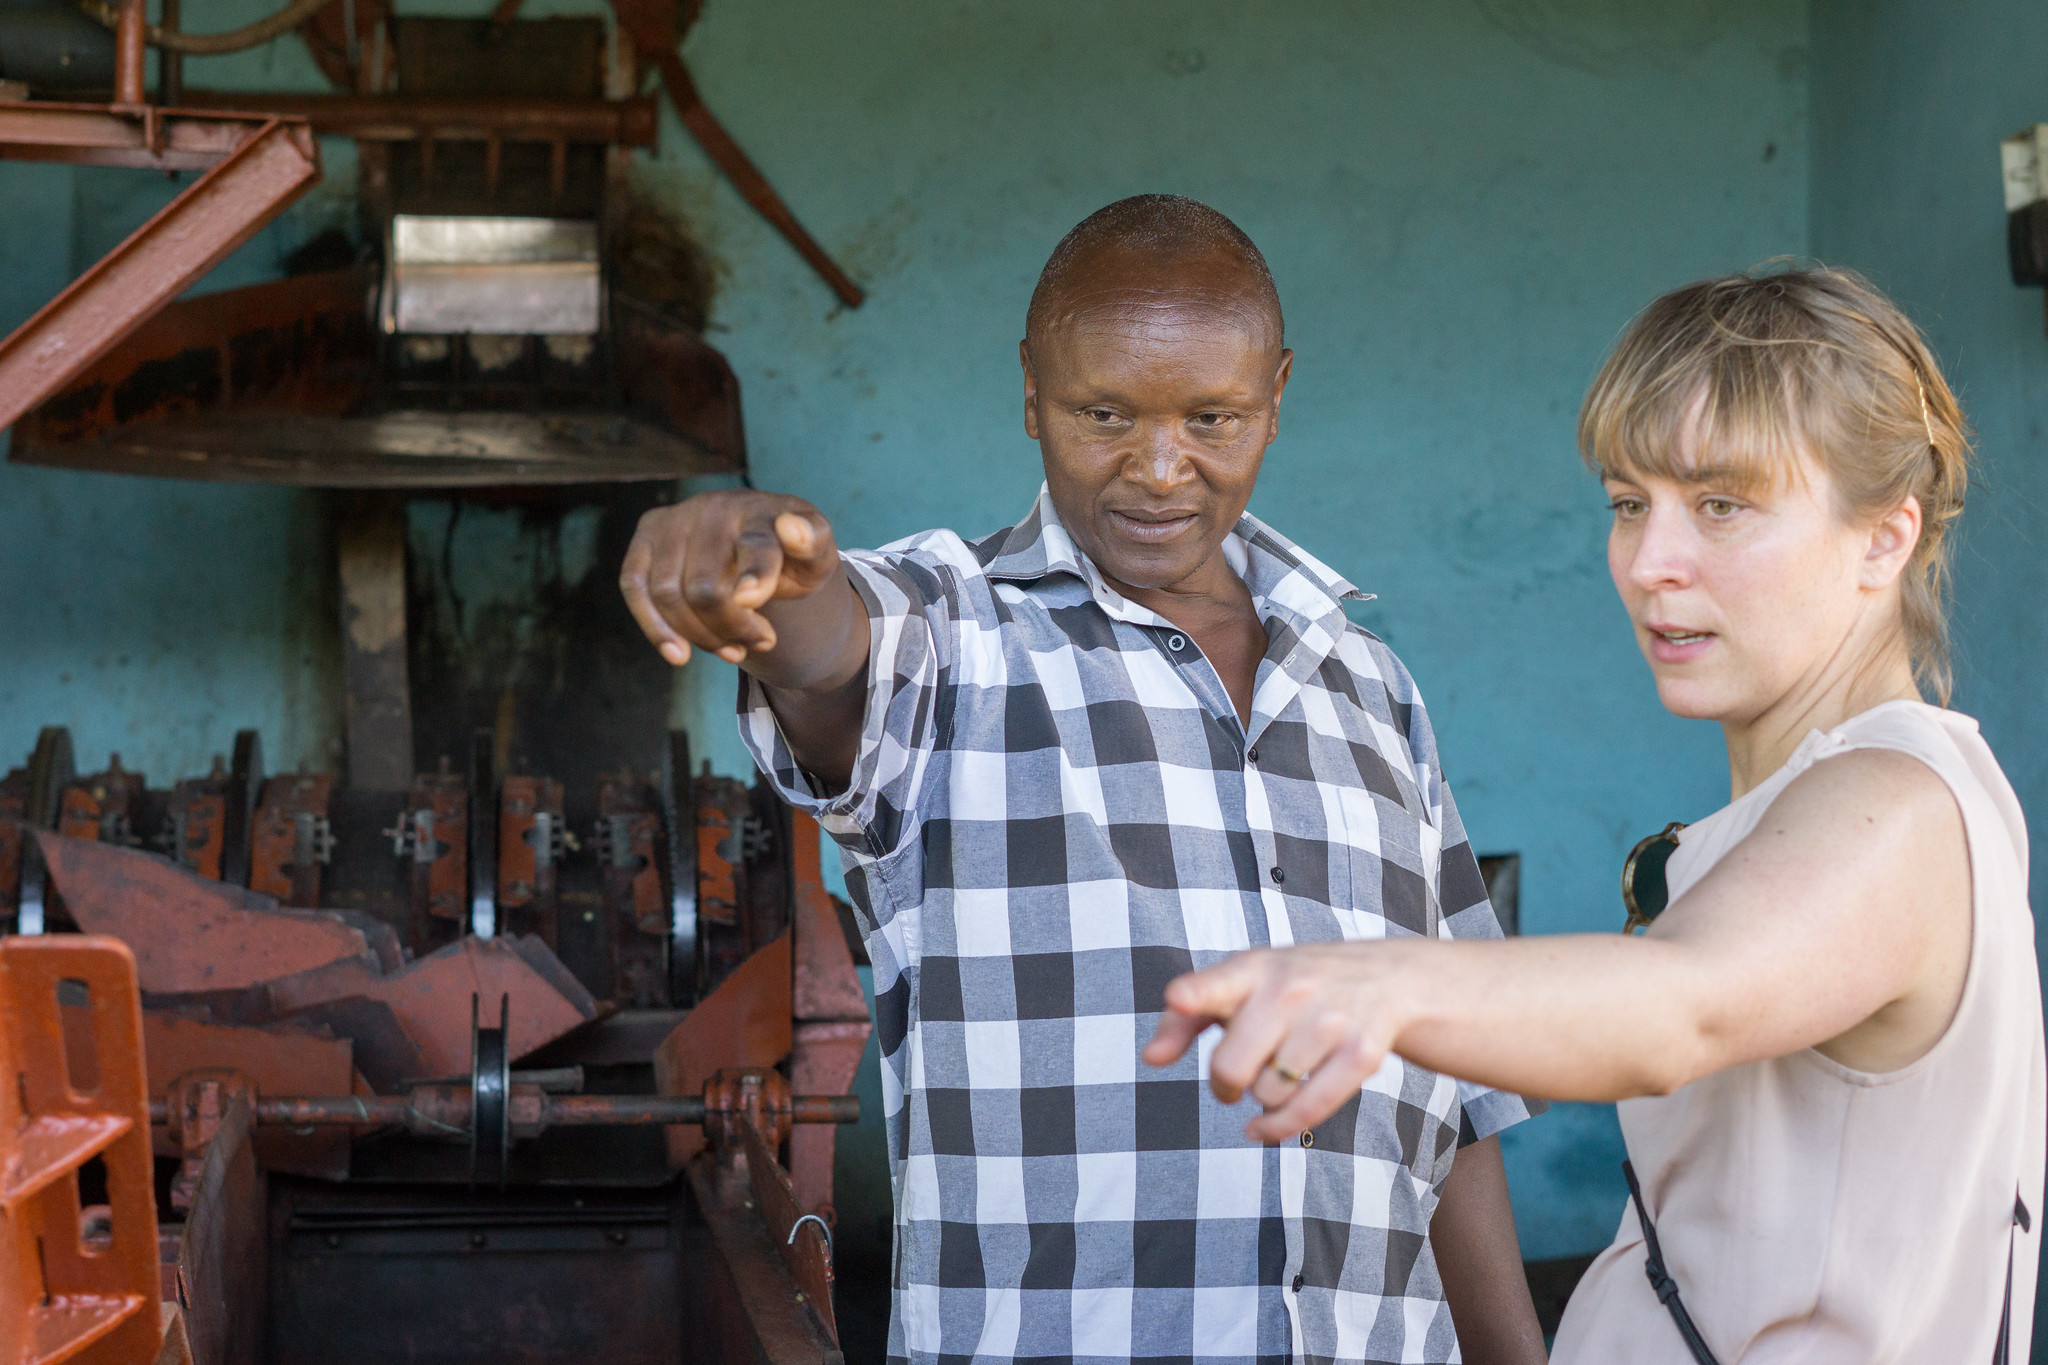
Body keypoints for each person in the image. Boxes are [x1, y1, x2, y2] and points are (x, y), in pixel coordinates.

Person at [621, 195, 1548, 1364]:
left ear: (1275, 397)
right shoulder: (957, 636)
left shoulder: (1366, 683)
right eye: (1100, 413)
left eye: (1211, 417)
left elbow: (1451, 1083)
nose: (1159, 471)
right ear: (1027, 393)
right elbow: (829, 639)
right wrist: (754, 559)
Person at [1146, 265, 2046, 1363]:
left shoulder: (1895, 799)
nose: (1647, 564)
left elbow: (1679, 1008)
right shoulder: (1812, 800)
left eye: (1720, 504)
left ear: (1882, 538)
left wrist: (1371, 979)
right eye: (1628, 504)